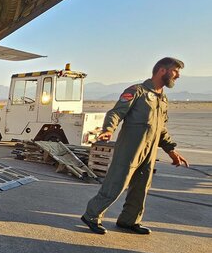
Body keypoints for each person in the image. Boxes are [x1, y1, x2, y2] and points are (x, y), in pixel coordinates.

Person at [81, 57, 189, 235]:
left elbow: (161, 129)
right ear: (162, 70)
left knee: (141, 188)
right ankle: (91, 215)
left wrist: (171, 150)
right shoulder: (136, 91)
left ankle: (129, 220)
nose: (178, 76)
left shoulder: (162, 99)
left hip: (149, 152)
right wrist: (108, 129)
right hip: (130, 150)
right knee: (116, 184)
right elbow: (116, 113)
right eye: (176, 71)